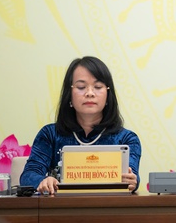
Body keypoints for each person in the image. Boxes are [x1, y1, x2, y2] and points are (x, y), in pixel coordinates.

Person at [20, 56, 141, 194]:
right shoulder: (50, 134)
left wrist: (132, 181)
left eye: (98, 87)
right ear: (69, 94)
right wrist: (43, 180)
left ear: (108, 94)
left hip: (109, 206)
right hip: (61, 206)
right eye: (81, 87)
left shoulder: (126, 139)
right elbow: (28, 176)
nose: (90, 93)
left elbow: (132, 177)